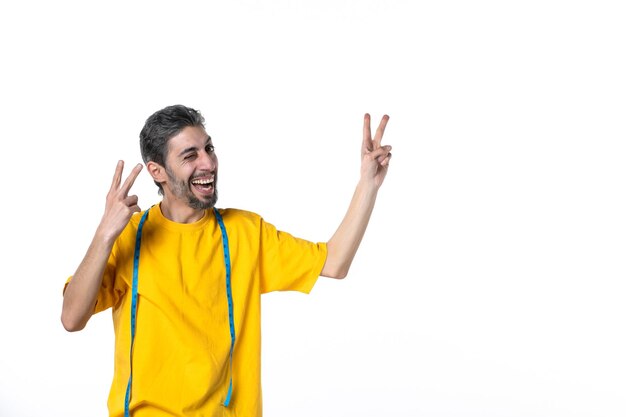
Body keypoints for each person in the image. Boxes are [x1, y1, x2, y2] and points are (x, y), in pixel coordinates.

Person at [61, 104, 392, 417]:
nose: (208, 163)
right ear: (157, 171)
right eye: (190, 155)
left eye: (209, 148)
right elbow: (72, 318)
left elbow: (333, 263)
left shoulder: (245, 232)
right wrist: (104, 234)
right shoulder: (129, 237)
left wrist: (368, 184)